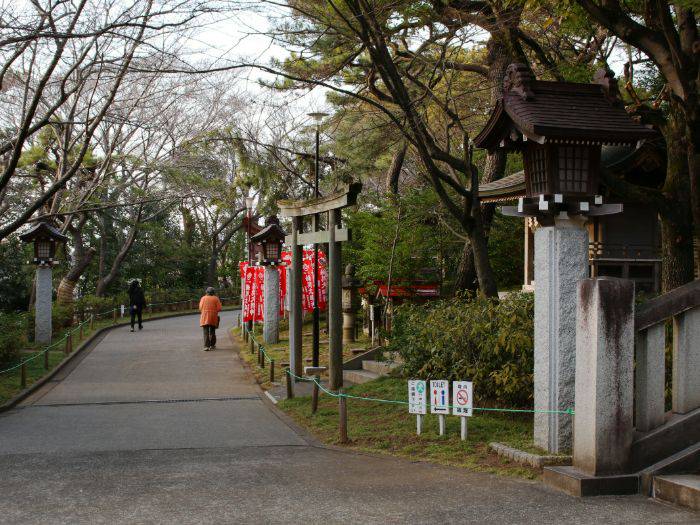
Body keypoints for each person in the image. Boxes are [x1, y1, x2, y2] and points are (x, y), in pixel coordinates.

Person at [199, 286, 222, 351]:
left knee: (205, 331)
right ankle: (212, 345)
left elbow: (200, 308)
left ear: (207, 292)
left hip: (204, 317)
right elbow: (219, 308)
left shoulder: (203, 298)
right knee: (212, 331)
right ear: (213, 292)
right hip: (213, 317)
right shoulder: (216, 298)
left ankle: (206, 346)